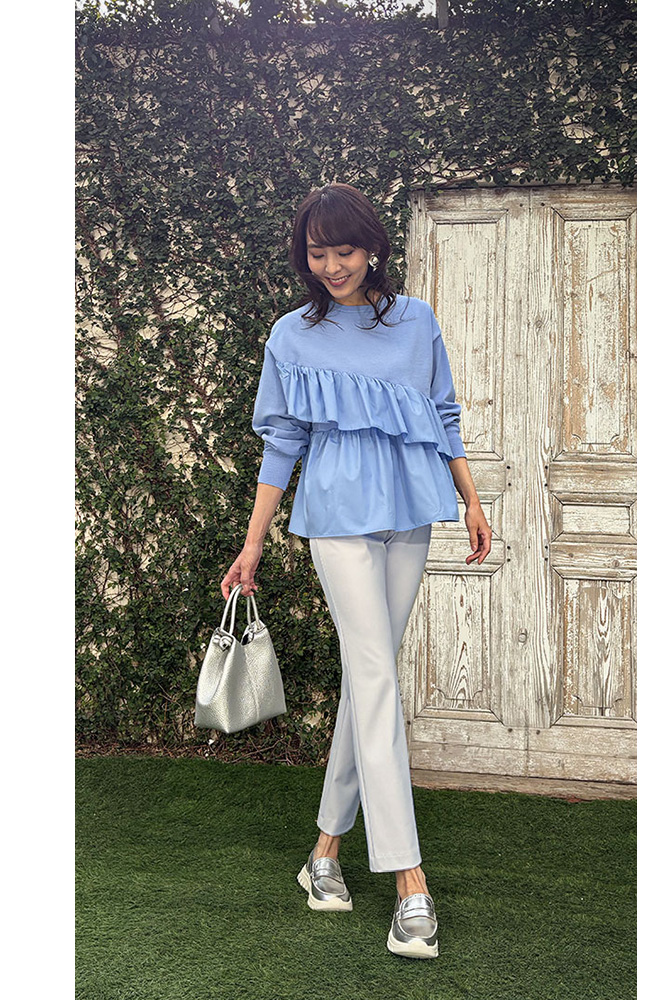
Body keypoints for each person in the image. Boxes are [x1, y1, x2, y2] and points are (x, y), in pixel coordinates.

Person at [220, 182, 492, 960]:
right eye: (318, 253)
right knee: (375, 677)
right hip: (337, 517)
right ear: (303, 256)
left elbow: (443, 415)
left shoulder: (415, 322)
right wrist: (253, 543)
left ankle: (325, 852)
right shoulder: (292, 336)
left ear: (372, 248)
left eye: (344, 250)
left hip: (411, 512)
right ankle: (410, 882)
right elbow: (282, 442)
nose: (332, 266)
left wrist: (472, 501)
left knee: (367, 680)